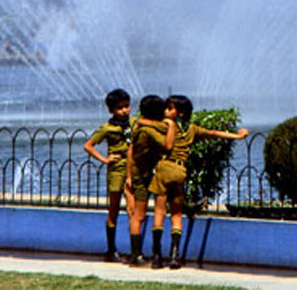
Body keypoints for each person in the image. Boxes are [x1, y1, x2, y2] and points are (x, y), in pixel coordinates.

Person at [148, 95, 249, 269]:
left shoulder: (166, 125)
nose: (166, 111)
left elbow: (148, 126)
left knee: (159, 212)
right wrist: (238, 136)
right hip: (180, 171)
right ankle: (175, 256)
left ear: (179, 112)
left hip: (164, 169)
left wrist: (141, 122)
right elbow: (213, 133)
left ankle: (156, 257)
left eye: (169, 108)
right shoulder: (192, 129)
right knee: (177, 214)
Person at [83, 88, 135, 262]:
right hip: (116, 169)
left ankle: (135, 250)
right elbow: (88, 145)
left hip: (132, 168)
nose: (124, 111)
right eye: (120, 108)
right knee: (113, 209)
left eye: (127, 106)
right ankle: (111, 249)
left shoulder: (135, 123)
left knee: (132, 209)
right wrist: (105, 159)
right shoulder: (107, 128)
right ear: (111, 110)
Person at [125, 95, 175, 267]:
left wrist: (129, 175)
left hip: (141, 173)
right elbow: (168, 146)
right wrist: (171, 126)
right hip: (143, 175)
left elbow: (130, 150)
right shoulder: (148, 131)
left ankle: (136, 254)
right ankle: (135, 255)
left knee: (138, 214)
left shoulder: (140, 126)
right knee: (139, 215)